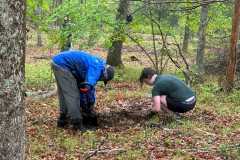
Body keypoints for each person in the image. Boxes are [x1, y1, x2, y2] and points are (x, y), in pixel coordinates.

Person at [51, 50, 114, 131]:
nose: (100, 80)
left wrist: (90, 105)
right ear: (105, 74)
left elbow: (88, 89)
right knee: (72, 95)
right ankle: (77, 123)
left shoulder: (94, 66)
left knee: (63, 94)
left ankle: (62, 120)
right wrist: (88, 88)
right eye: (103, 79)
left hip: (58, 61)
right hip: (63, 64)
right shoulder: (97, 66)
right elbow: (89, 84)